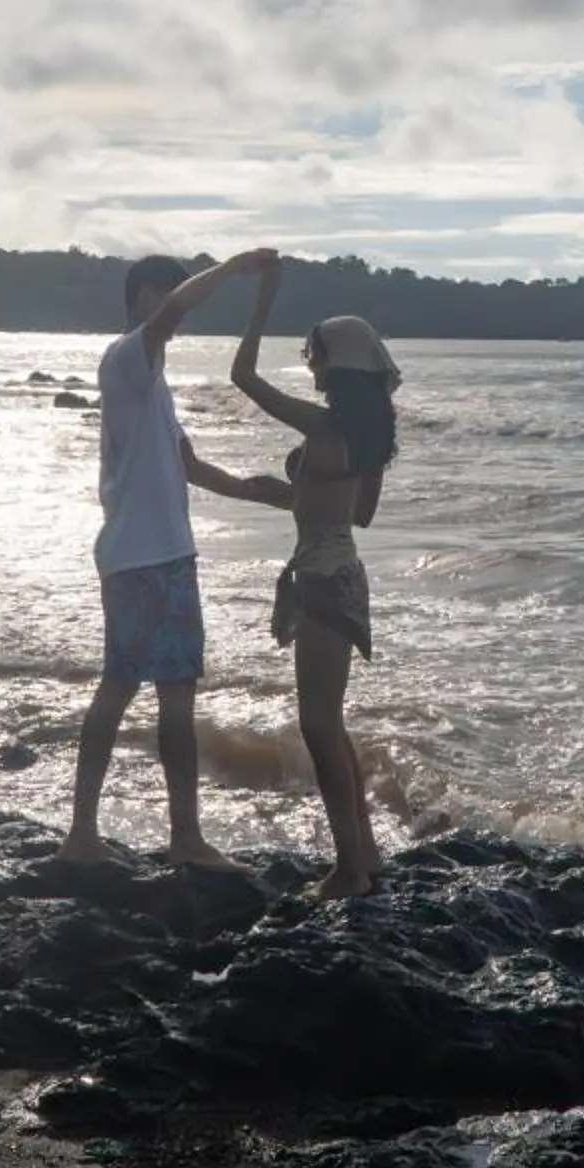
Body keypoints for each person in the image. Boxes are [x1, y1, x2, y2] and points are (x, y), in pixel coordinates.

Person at [59, 243, 278, 869]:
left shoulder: (153, 383)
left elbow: (189, 466)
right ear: (143, 297)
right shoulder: (127, 356)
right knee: (120, 688)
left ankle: (184, 837)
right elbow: (175, 311)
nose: (179, 317)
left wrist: (260, 493)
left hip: (170, 555)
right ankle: (82, 835)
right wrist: (233, 268)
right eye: (167, 296)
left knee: (175, 696)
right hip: (138, 557)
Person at [215, 267, 401, 899]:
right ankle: (365, 853)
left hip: (320, 577)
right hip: (347, 573)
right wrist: (299, 493)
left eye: (314, 355)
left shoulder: (323, 427)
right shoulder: (369, 436)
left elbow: (243, 377)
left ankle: (349, 871)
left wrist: (263, 300)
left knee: (318, 725)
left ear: (335, 365)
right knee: (330, 721)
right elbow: (360, 515)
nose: (310, 366)